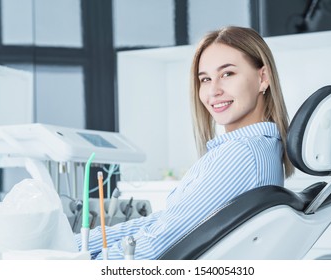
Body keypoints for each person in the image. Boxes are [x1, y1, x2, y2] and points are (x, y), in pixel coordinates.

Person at [75, 26, 294, 260]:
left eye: (227, 74)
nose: (214, 90)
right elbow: (163, 223)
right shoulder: (263, 147)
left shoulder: (241, 154)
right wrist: (77, 245)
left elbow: (156, 245)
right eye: (205, 79)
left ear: (263, 78)